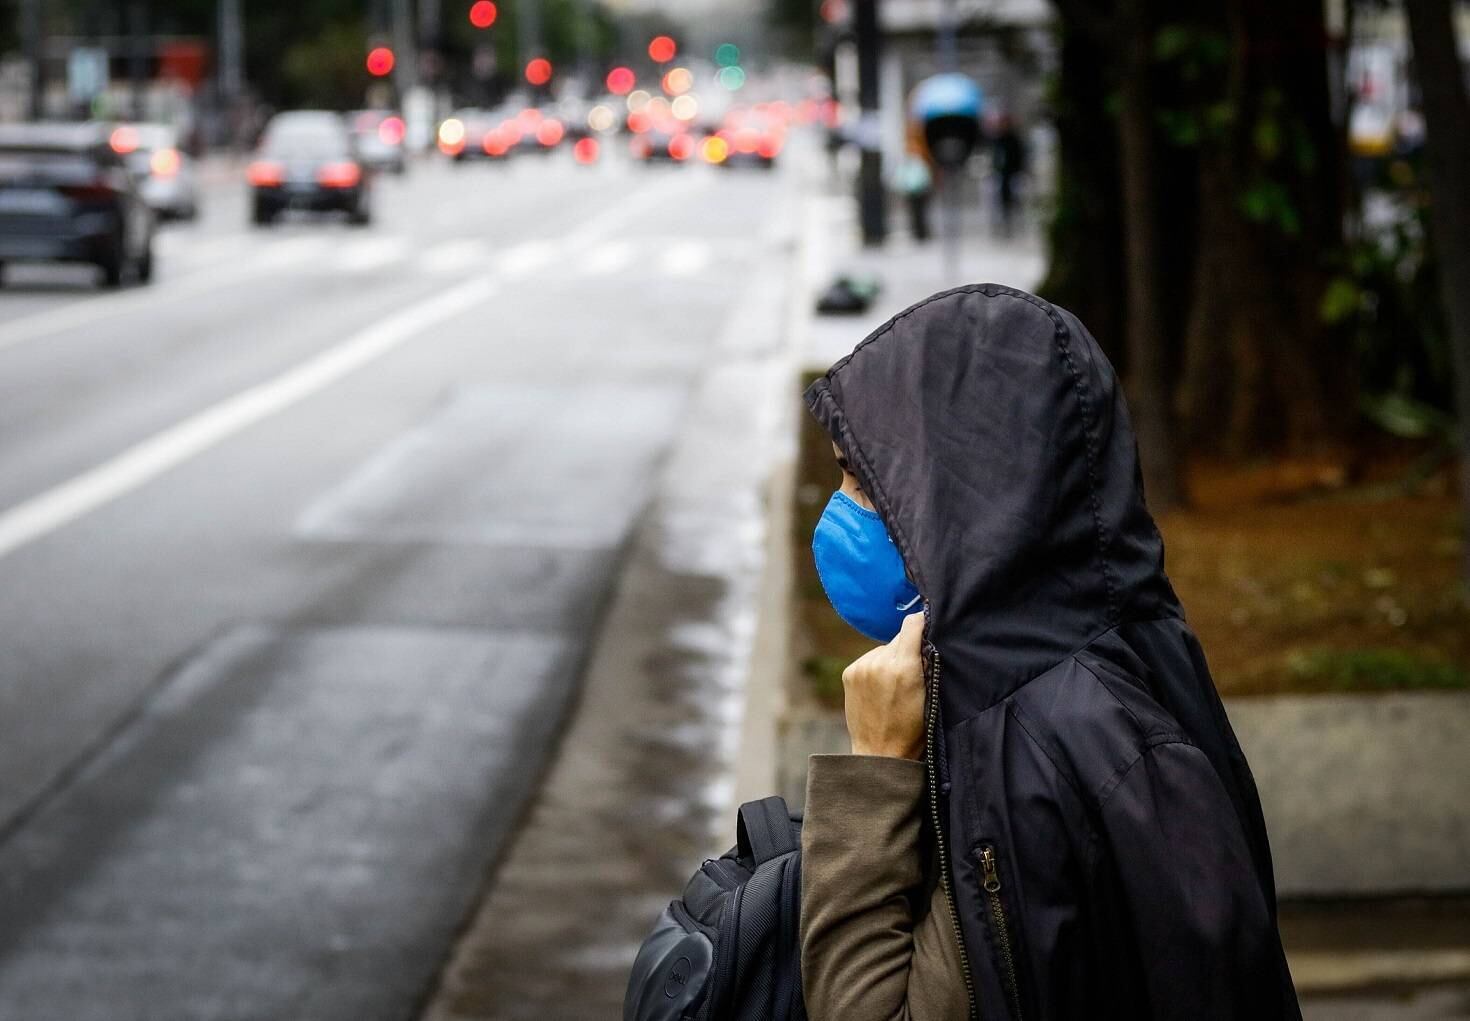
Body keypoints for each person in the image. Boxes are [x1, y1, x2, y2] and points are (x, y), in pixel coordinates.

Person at [798, 284, 1301, 1020]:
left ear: (959, 501)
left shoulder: (1057, 746)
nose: (837, 510)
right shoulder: (1055, 680)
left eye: (861, 481)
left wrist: (873, 770)